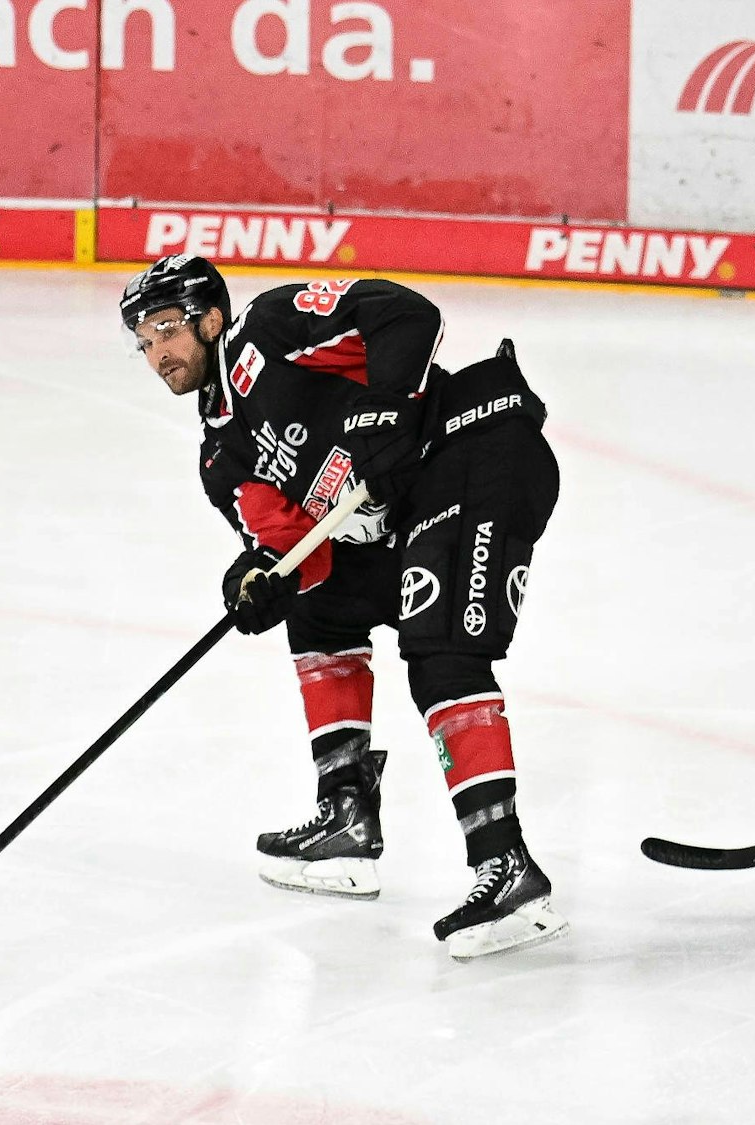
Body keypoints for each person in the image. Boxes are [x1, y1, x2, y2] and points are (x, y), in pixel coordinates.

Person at [120, 255, 568, 959]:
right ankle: (347, 814)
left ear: (210, 319)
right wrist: (262, 576)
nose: (157, 355)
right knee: (318, 606)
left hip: (474, 449)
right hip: (410, 514)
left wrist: (389, 406)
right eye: (143, 343)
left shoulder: (268, 331)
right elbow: (304, 552)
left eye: (167, 330)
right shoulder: (221, 459)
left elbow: (405, 314)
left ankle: (505, 866)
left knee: (442, 656)